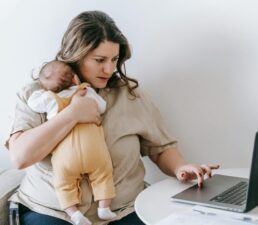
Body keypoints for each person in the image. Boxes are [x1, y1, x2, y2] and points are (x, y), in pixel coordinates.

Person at [6, 10, 219, 225]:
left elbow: (160, 147)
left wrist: (180, 167)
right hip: (51, 211)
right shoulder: (37, 95)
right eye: (100, 60)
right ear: (76, 55)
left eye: (114, 59)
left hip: (123, 211)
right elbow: (20, 157)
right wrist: (71, 115)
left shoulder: (130, 95)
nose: (109, 69)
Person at [27, 60, 117, 225]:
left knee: (63, 184)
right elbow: (102, 107)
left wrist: (43, 89)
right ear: (75, 78)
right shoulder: (86, 91)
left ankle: (74, 214)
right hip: (94, 150)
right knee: (104, 175)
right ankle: (104, 208)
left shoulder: (51, 99)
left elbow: (32, 102)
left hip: (65, 156)